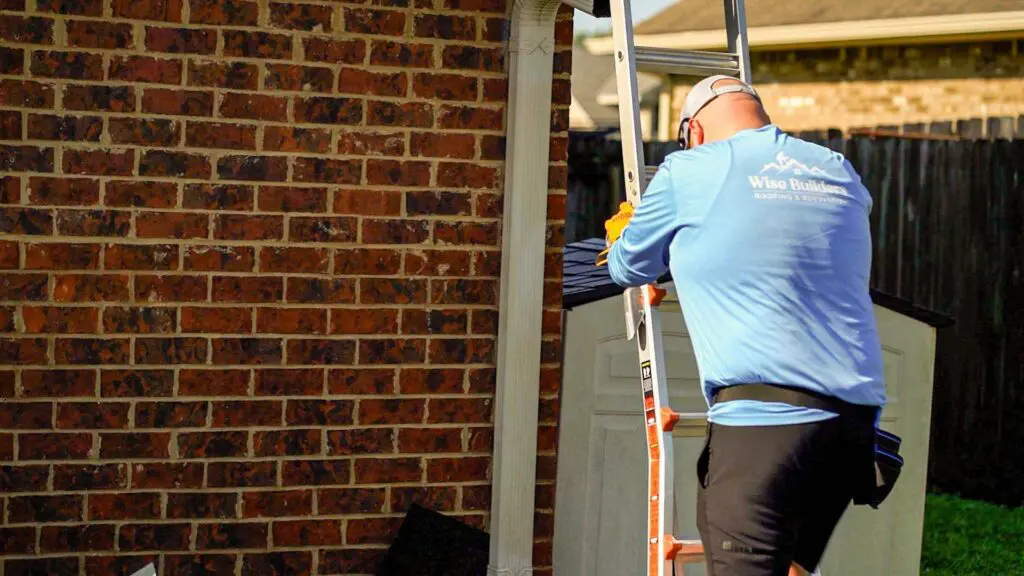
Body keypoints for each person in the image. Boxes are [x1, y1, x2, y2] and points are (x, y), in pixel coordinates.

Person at [603, 75, 888, 576]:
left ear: (693, 130)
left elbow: (627, 266)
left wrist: (631, 228)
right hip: (852, 430)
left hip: (764, 431)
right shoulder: (837, 169)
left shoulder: (689, 169)